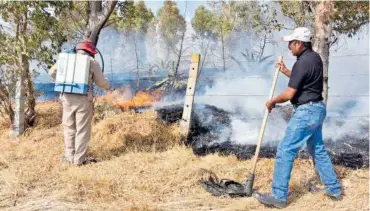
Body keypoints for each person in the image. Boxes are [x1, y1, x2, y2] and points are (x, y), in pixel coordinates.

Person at [253, 27, 342, 208]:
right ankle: (334, 190)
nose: (289, 48)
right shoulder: (314, 58)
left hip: (306, 112)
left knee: (285, 150)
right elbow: (303, 80)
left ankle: (278, 196)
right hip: (317, 109)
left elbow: (290, 93)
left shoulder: (302, 62)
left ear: (299, 43)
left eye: (291, 44)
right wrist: (286, 71)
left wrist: (273, 102)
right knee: (318, 150)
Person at [49, 40, 111, 166]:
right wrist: (108, 86)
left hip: (66, 98)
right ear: (90, 52)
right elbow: (101, 82)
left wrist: (64, 80)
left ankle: (69, 157)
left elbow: (51, 73)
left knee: (69, 128)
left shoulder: (65, 59)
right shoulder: (91, 62)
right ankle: (79, 160)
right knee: (82, 129)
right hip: (83, 100)